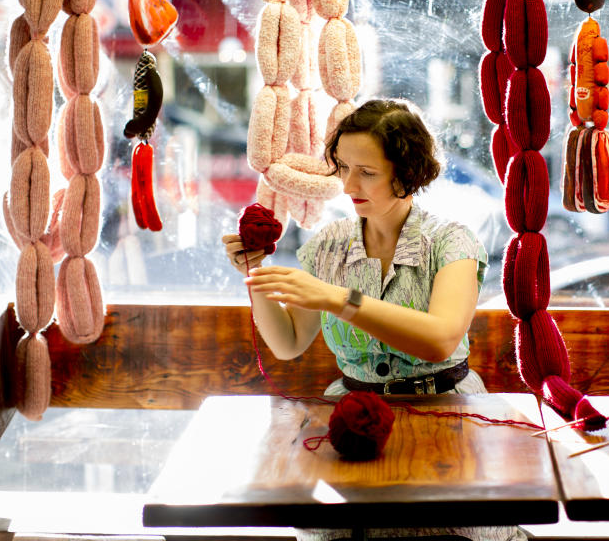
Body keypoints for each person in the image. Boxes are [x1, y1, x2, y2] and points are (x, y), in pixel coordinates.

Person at [222, 98, 525, 541]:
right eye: (343, 167)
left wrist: (339, 299)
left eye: (366, 172)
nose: (347, 185)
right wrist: (256, 275)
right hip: (352, 417)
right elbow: (288, 343)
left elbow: (440, 340)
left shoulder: (450, 241)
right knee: (329, 532)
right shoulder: (329, 245)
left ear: (407, 173)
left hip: (447, 410)